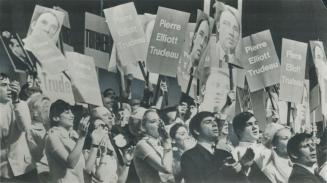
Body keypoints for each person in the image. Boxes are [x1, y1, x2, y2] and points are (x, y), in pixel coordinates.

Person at [181, 111, 243, 183]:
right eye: (208, 122)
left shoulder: (226, 154)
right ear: (197, 131)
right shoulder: (188, 157)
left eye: (214, 121)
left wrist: (240, 170)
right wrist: (223, 171)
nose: (214, 124)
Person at [0, 73, 36, 182]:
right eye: (3, 85)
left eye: (9, 84)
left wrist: (16, 101)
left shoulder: (21, 104)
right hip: (3, 172)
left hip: (24, 169)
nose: (9, 88)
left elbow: (25, 127)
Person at [44, 99, 90, 183]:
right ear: (55, 118)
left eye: (71, 113)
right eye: (67, 113)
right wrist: (82, 138)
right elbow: (70, 164)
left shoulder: (74, 135)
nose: (72, 115)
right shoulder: (52, 136)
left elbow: (84, 168)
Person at [133, 109, 174, 183]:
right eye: (153, 121)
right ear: (143, 127)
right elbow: (166, 169)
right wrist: (167, 141)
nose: (159, 124)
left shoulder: (160, 143)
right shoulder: (142, 145)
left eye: (159, 120)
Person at [231, 111, 272, 183]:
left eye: (256, 123)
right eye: (249, 124)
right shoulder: (236, 153)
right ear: (239, 131)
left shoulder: (265, 147)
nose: (254, 127)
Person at [25, 93, 51, 183]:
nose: (48, 110)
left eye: (49, 107)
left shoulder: (50, 127)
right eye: (44, 107)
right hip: (42, 174)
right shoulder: (29, 130)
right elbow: (37, 155)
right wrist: (48, 131)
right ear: (34, 112)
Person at [213, 3, 240, 68]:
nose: (231, 32)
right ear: (218, 26)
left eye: (235, 29)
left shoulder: (241, 66)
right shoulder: (209, 57)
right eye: (227, 24)